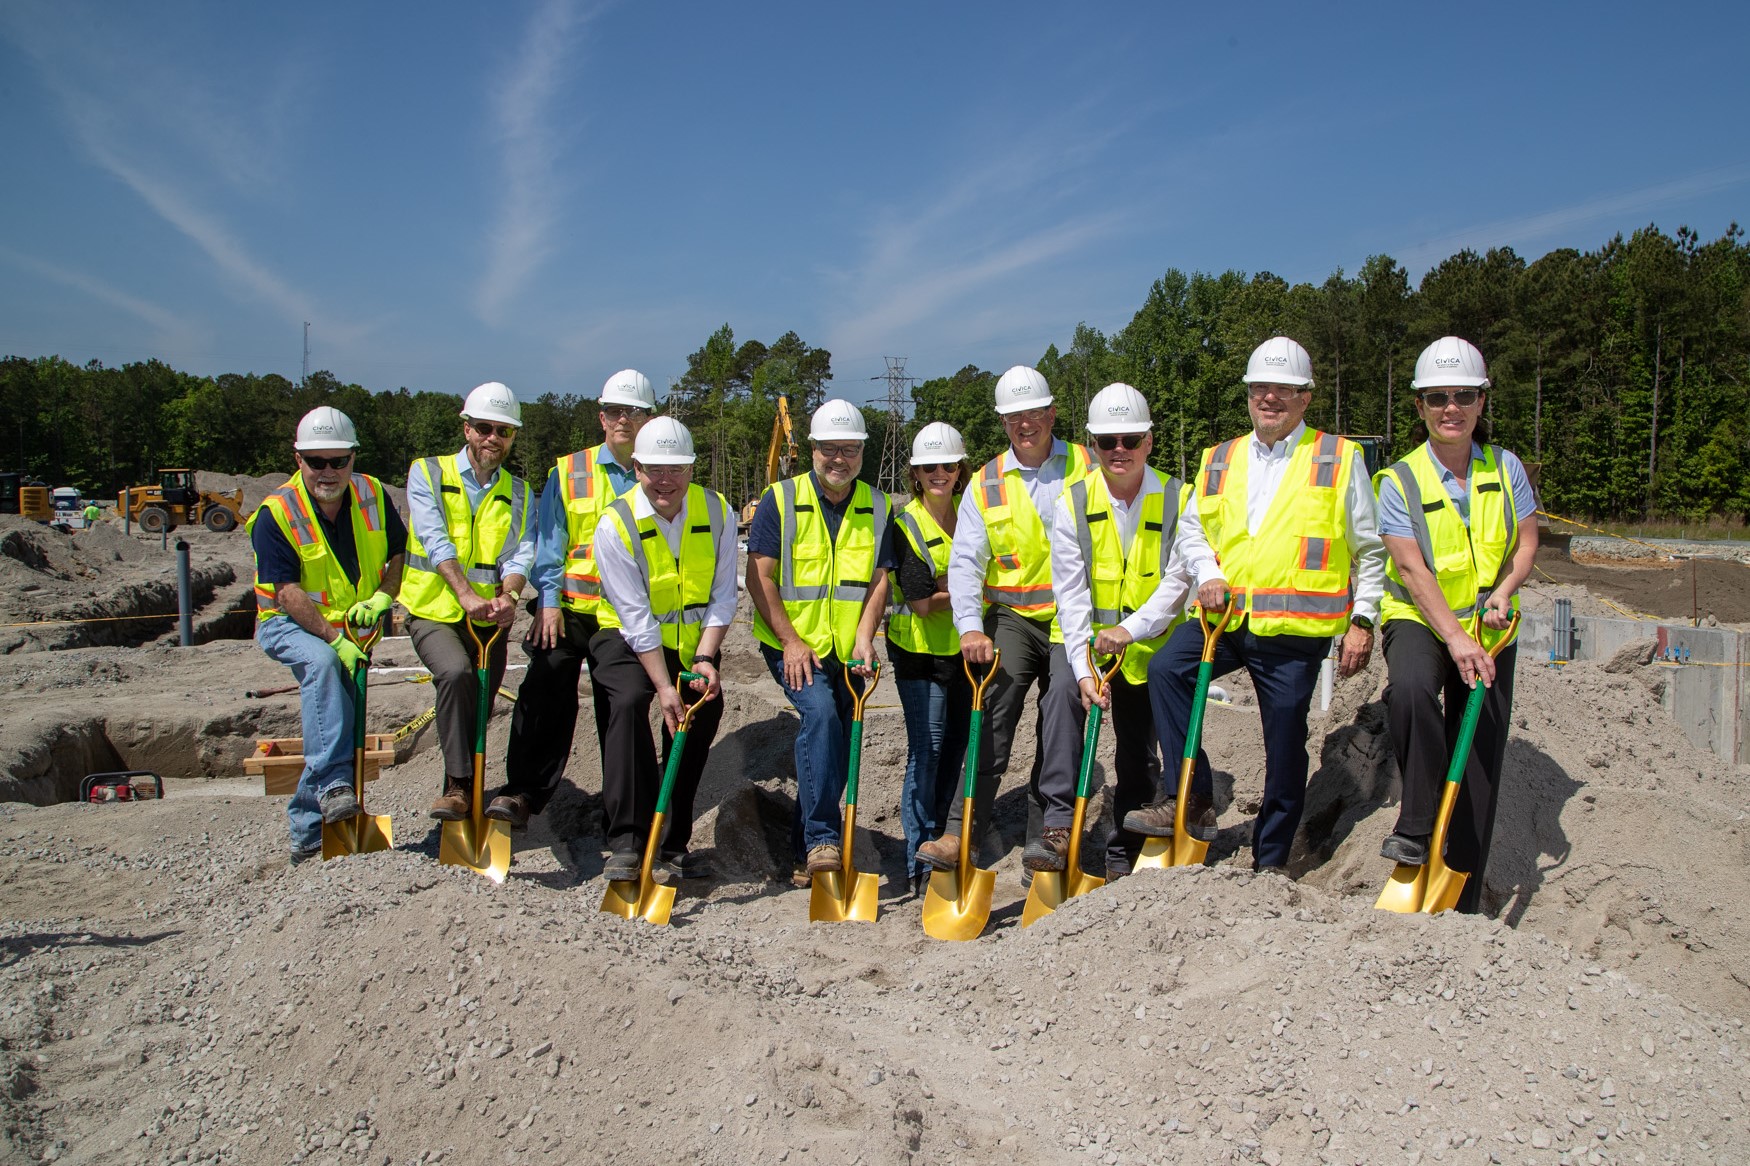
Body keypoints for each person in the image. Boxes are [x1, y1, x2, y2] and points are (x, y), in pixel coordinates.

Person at [1137, 336, 1386, 874]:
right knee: (1166, 669)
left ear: (1305, 398)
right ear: (1248, 394)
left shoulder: (1339, 458)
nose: (1269, 398)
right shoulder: (1220, 458)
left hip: (1295, 633)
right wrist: (1207, 573)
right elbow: (1194, 530)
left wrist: (1364, 619)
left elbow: (1370, 549)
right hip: (1224, 622)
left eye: (1282, 389)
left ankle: (1271, 860)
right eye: (1259, 389)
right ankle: (1194, 794)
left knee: (1285, 746)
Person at [1375, 336, 1538, 914]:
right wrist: (1456, 637)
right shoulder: (1399, 480)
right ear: (1420, 406)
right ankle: (1417, 828)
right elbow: (1410, 567)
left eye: (1463, 395)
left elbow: (1525, 542)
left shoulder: (1506, 468)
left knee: (1482, 749)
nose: (1451, 407)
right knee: (1414, 691)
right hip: (1421, 618)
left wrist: (1504, 592)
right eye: (1438, 397)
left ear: (1481, 402)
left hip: (1490, 624)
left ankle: (1463, 886)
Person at [919, 366, 1093, 879]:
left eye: (1034, 413)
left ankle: (1051, 832)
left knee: (1063, 701)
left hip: (1071, 615)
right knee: (992, 707)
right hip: (1013, 616)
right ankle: (962, 830)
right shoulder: (986, 481)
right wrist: (971, 626)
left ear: (1052, 414)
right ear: (1002, 422)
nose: (1025, 424)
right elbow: (967, 561)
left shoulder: (1087, 464)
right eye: (1014, 417)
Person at [247, 406, 406, 863]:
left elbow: (399, 552)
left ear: (353, 458)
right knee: (321, 665)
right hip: (289, 623)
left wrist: (383, 597)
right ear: (299, 460)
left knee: (338, 725)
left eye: (338, 460)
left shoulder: (373, 494)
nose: (328, 471)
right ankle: (335, 785)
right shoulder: (275, 513)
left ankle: (307, 832)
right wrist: (335, 642)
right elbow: (286, 592)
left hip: (352, 625)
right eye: (317, 461)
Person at [746, 399, 895, 884]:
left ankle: (801, 851)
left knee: (841, 737)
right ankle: (822, 840)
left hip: (847, 647)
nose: (840, 458)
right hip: (792, 641)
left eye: (849, 449)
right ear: (811, 449)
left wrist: (865, 638)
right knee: (822, 716)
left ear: (862, 452)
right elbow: (759, 578)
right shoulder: (779, 500)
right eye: (830, 448)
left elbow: (878, 582)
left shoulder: (878, 505)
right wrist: (790, 641)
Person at [1048, 385, 1191, 879]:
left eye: (1131, 439)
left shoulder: (1178, 496)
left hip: (1156, 649)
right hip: (1095, 649)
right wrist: (1085, 669)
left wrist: (1130, 631)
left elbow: (1179, 581)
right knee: (1082, 720)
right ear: (1093, 447)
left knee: (1138, 751)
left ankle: (1128, 850)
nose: (1119, 450)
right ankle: (1081, 840)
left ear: (1150, 441)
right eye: (1108, 442)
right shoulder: (1073, 503)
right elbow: (1070, 592)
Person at [502, 370, 653, 824]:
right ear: (601, 417)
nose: (623, 420)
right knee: (545, 682)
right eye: (614, 411)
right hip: (568, 609)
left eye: (634, 412)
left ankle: (623, 813)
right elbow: (550, 544)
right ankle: (524, 792)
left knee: (622, 702)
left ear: (649, 419)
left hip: (623, 617)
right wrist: (546, 602)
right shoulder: (569, 471)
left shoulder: (660, 472)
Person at [592, 418, 735, 882]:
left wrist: (706, 660)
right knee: (631, 701)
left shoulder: (718, 512)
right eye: (655, 469)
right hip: (626, 638)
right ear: (636, 468)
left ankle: (671, 842)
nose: (666, 480)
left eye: (676, 469)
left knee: (702, 710)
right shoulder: (616, 523)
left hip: (691, 643)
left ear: (691, 469)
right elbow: (634, 616)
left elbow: (723, 596)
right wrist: (661, 686)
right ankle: (627, 841)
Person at [402, 382, 537, 825]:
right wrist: (465, 594)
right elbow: (434, 538)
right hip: (434, 610)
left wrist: (510, 595)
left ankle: (471, 791)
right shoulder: (427, 474)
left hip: (489, 621)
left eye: (503, 431)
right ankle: (457, 785)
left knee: (481, 702)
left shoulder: (519, 492)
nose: (492, 438)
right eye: (483, 427)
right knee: (456, 673)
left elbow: (521, 551)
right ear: (466, 428)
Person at [885, 422, 973, 899]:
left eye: (948, 465)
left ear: (960, 470)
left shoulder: (969, 514)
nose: (940, 473)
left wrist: (952, 586)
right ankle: (916, 854)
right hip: (918, 655)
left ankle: (941, 839)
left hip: (962, 651)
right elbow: (920, 600)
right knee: (928, 752)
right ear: (915, 473)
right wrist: (972, 589)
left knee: (956, 750)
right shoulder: (906, 524)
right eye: (929, 467)